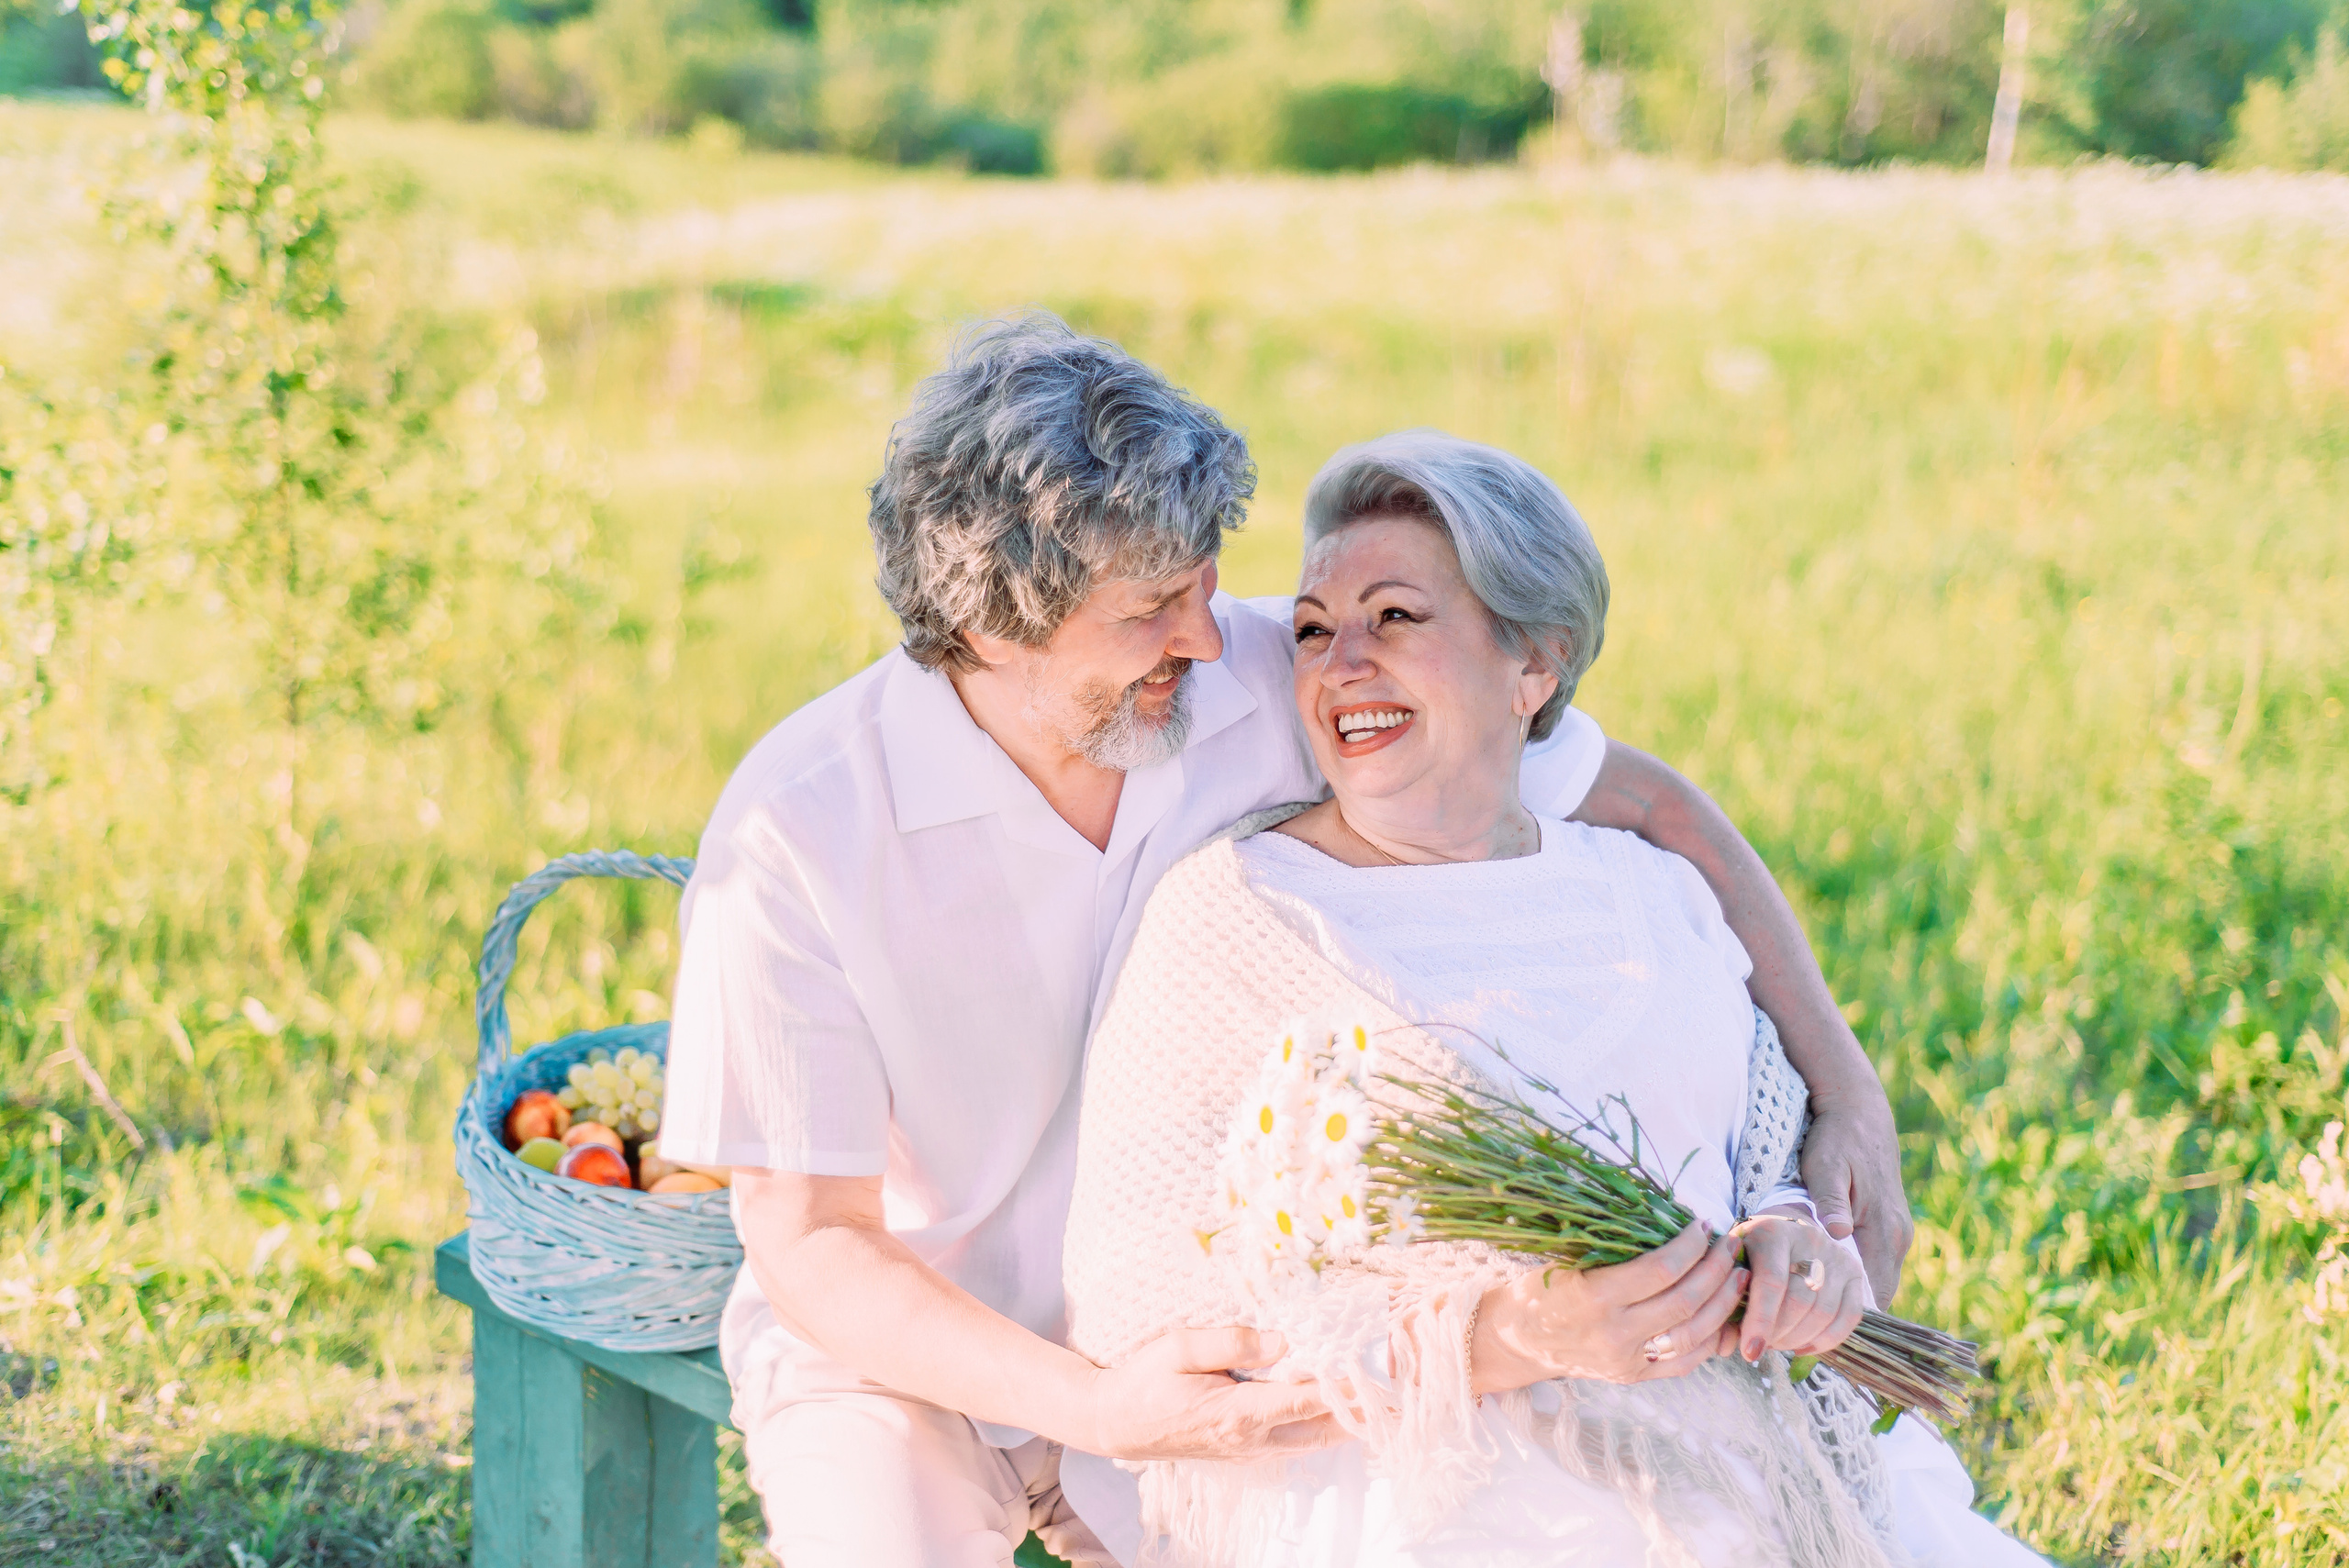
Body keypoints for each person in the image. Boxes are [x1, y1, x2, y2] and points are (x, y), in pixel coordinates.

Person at [654, 315, 1913, 1565]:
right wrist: (1094, 1403)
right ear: (995, 625)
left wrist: (1846, 1088)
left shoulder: (1279, 674)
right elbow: (815, 1239)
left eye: (1204, 582)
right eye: (1153, 607)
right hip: (916, 1348)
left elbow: (1647, 801)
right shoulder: (798, 830)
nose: (1208, 637)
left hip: (1229, 1316)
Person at [1061, 429, 2043, 1567]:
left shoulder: (1648, 886)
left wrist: (1794, 1251)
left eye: (1395, 618)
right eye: (1318, 630)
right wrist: (1504, 1339)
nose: (1339, 666)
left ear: (1532, 666)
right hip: (1438, 1486)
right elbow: (1143, 1311)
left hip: (1733, 1439)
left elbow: (1756, 1165)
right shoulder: (1242, 915)